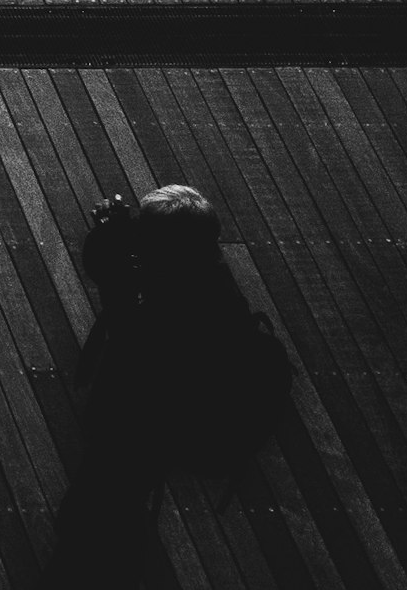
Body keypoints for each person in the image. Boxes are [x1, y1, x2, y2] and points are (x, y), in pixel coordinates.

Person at [52, 185, 291, 580]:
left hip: (146, 426)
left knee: (95, 515)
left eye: (145, 234)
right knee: (109, 510)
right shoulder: (199, 275)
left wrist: (116, 269)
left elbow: (133, 343)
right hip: (161, 424)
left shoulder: (185, 304)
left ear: (167, 245)